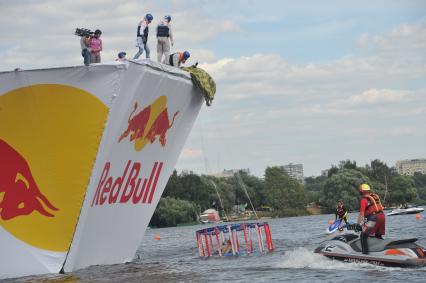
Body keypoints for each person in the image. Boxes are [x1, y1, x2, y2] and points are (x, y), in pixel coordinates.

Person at [356, 183, 386, 254]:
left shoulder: (363, 200)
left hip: (374, 218)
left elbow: (362, 214)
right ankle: (380, 252)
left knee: (363, 235)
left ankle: (365, 254)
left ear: (362, 191)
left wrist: (357, 224)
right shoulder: (374, 197)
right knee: (378, 235)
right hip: (382, 216)